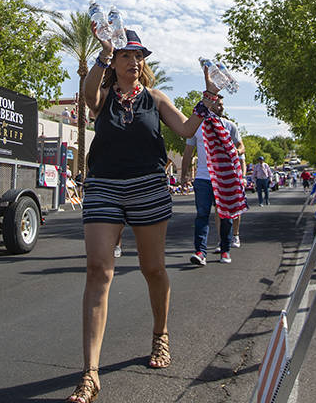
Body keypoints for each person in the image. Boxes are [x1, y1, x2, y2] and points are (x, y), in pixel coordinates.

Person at [67, 28, 218, 403]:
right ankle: (90, 374)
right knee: (98, 270)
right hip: (104, 185)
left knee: (153, 268)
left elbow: (185, 128)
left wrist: (208, 98)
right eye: (127, 56)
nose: (135, 62)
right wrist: (102, 52)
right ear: (114, 62)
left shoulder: (155, 97)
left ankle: (160, 334)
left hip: (148, 187)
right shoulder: (102, 98)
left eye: (139, 57)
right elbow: (88, 96)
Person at [181, 91, 247, 266]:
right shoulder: (196, 126)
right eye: (218, 104)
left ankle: (225, 250)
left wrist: (233, 150)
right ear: (209, 105)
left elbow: (241, 147)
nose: (221, 107)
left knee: (225, 215)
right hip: (203, 178)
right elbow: (188, 152)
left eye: (222, 105)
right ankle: (200, 252)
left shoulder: (229, 126)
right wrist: (184, 175)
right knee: (202, 215)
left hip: (224, 178)